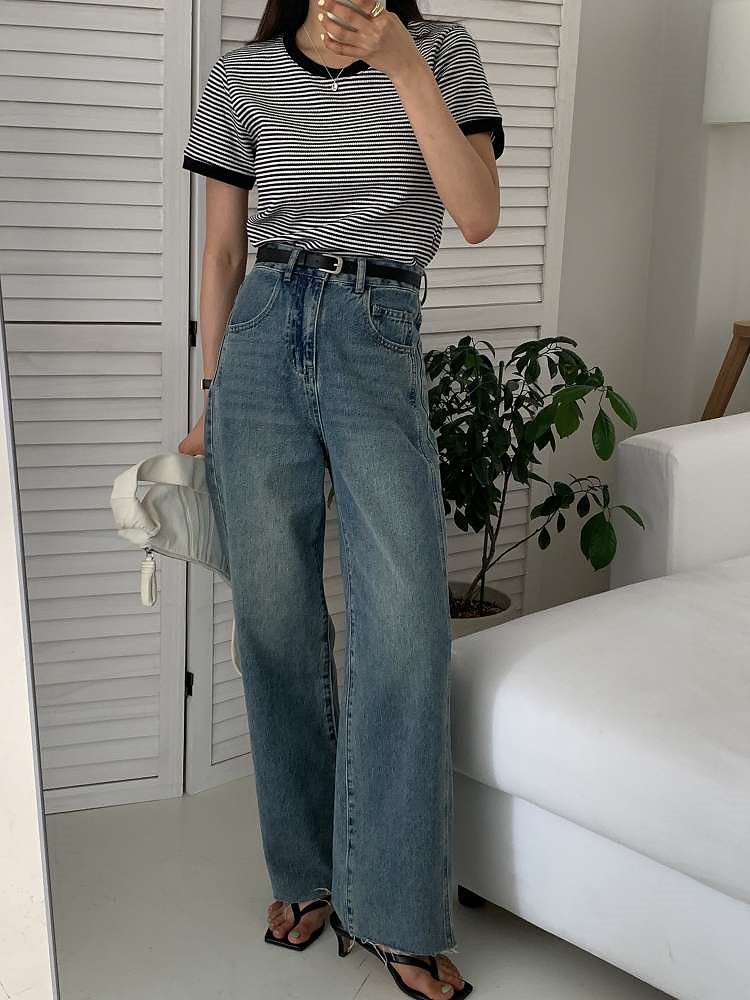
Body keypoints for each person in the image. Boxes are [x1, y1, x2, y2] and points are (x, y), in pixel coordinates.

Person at [179, 2, 504, 997]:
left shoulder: (442, 51)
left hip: (377, 324)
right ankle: (308, 872)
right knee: (274, 625)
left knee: (404, 627)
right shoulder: (243, 77)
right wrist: (212, 398)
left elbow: (477, 215)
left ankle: (398, 910)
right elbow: (224, 252)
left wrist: (402, 64)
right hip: (261, 341)